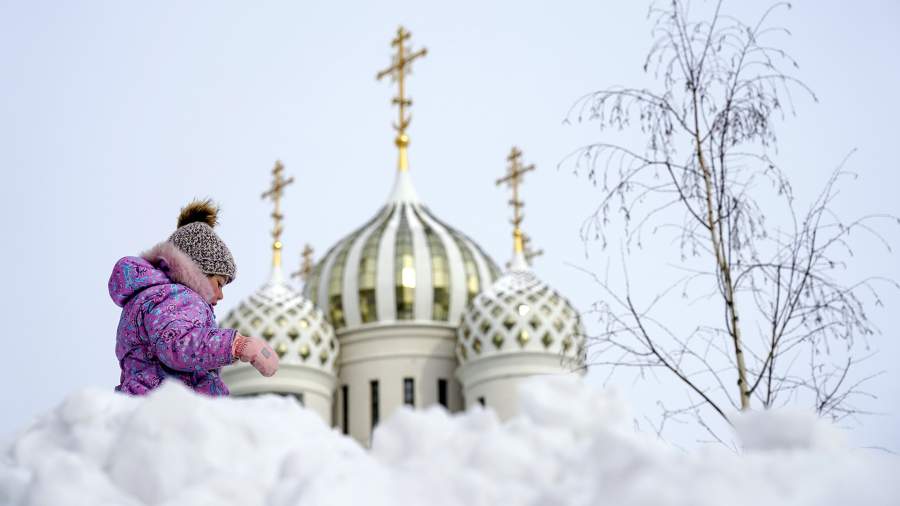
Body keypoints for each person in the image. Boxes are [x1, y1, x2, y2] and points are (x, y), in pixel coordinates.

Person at [108, 199, 278, 396]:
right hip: (171, 403)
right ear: (198, 272)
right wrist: (237, 345)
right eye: (219, 283)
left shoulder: (152, 298)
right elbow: (178, 344)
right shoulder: (177, 298)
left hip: (152, 398)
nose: (221, 295)